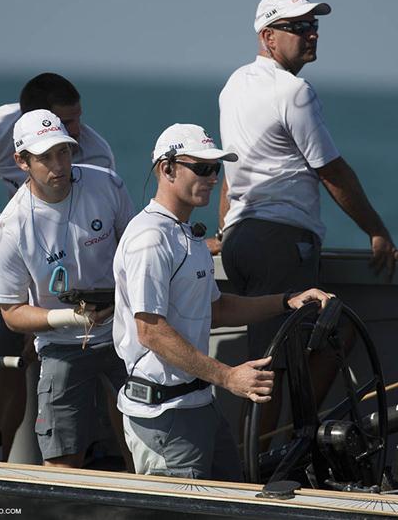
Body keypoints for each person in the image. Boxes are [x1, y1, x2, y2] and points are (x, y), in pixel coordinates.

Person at [216, 0, 398, 438]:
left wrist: (226, 228)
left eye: (313, 25)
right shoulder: (295, 92)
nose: (311, 34)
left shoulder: (235, 84)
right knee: (275, 366)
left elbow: (230, 170)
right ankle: (272, 459)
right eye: (298, 27)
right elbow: (332, 171)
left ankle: (278, 450)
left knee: (302, 346)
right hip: (282, 243)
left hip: (243, 241)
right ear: (267, 36)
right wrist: (377, 231)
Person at [113, 123, 333, 480]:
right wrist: (228, 377)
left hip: (200, 407)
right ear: (167, 169)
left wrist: (287, 300)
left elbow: (217, 309)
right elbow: (150, 331)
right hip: (167, 417)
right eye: (201, 168)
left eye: (215, 168)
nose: (213, 177)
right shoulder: (150, 239)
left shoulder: (186, 235)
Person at [0, 73, 115, 460]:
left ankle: (113, 462)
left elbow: (102, 239)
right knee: (4, 354)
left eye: (76, 120)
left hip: (72, 272)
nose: (76, 131)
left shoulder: (96, 155)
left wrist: (49, 316)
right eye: (65, 122)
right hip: (20, 256)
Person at [0, 109, 133, 468]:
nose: (58, 165)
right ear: (21, 162)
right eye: (45, 157)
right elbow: (11, 313)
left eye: (64, 152)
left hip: (123, 332)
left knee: (142, 445)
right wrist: (69, 317)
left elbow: (136, 253)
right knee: (62, 461)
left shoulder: (107, 184)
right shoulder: (10, 228)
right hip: (61, 346)